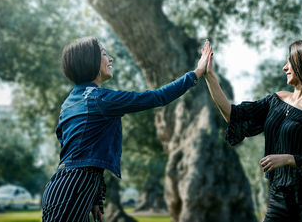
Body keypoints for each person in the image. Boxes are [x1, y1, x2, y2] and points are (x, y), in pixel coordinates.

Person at [41, 37, 211, 222]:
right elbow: (157, 97)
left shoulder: (69, 103)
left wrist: (93, 197)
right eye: (105, 54)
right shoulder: (101, 99)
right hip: (74, 187)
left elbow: (72, 150)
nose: (110, 58)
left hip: (62, 185)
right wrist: (196, 73)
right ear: (90, 61)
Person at [204, 39, 302, 222]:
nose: (285, 67)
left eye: (290, 62)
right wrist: (210, 76)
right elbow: (234, 115)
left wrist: (288, 159)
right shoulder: (276, 100)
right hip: (278, 199)